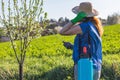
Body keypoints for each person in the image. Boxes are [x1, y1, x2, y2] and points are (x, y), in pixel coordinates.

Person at [59, 2, 103, 80]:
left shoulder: (84, 26)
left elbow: (62, 31)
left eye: (78, 14)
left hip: (84, 66)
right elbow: (89, 47)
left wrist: (75, 20)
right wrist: (72, 46)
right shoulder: (94, 26)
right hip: (96, 66)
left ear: (81, 15)